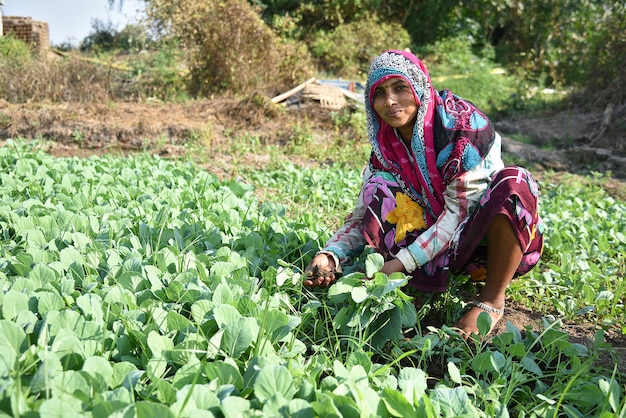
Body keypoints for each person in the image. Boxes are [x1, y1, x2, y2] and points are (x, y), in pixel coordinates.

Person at [303, 50, 544, 338]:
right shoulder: (386, 146)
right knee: (378, 185)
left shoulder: (462, 130)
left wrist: (400, 264)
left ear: (418, 86)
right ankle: (418, 282)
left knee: (515, 183)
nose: (390, 101)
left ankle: (492, 299)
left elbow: (458, 214)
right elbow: (361, 215)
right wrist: (331, 254)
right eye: (379, 93)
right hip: (435, 241)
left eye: (400, 87)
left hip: (483, 242)